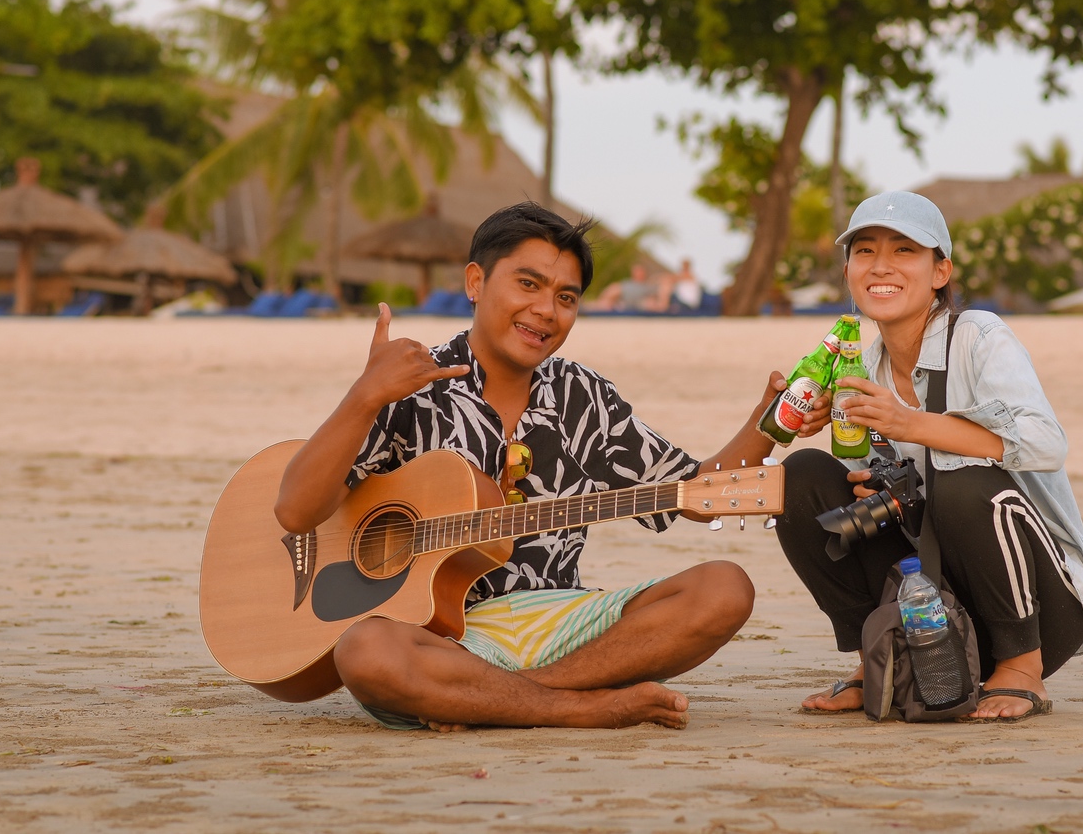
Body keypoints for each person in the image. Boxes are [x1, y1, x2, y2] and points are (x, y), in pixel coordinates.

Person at [273, 203, 826, 730]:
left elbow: (697, 492)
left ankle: (504, 700)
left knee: (724, 587)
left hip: (562, 624)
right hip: (440, 641)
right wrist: (364, 397)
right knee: (367, 651)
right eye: (528, 284)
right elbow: (296, 510)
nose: (546, 310)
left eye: (567, 296)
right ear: (475, 282)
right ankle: (579, 709)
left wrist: (769, 420)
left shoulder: (583, 396)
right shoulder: (408, 386)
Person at [775, 191, 1083, 720]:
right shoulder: (860, 367)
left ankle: (1021, 668)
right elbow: (865, 496)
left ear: (941, 271)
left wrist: (912, 424)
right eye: (864, 252)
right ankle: (878, 653)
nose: (881, 266)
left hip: (1034, 607)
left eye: (904, 251)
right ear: (847, 272)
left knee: (958, 476)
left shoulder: (978, 336)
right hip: (931, 605)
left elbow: (1047, 443)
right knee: (801, 478)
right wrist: (858, 469)